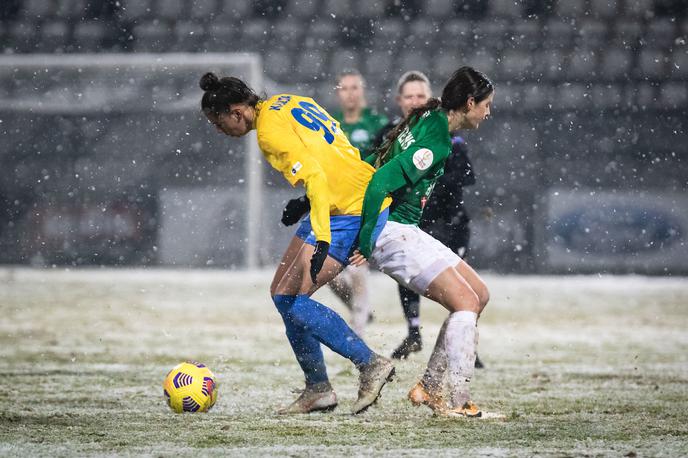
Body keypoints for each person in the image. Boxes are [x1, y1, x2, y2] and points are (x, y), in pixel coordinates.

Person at [199, 72, 395, 415]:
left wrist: (321, 237)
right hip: (342, 201)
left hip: (350, 211)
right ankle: (318, 389)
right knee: (281, 293)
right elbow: (335, 150)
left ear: (235, 111)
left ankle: (370, 364)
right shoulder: (288, 100)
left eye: (218, 122)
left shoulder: (269, 133)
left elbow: (316, 175)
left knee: (292, 300)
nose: (219, 131)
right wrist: (308, 204)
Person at [350, 67, 494, 417]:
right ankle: (459, 403)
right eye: (487, 105)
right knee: (465, 304)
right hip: (392, 232)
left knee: (480, 295)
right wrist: (366, 242)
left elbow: (379, 159)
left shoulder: (431, 115)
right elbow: (381, 180)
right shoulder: (438, 142)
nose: (489, 113)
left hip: (407, 229)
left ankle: (429, 388)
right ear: (470, 102)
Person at [374, 72, 482, 367]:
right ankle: (414, 332)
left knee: (471, 294)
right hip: (406, 224)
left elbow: (465, 177)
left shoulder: (448, 138)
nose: (414, 101)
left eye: (420, 96)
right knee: (459, 294)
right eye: (409, 96)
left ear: (431, 98)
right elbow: (374, 172)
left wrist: (430, 179)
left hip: (447, 221)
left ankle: (465, 342)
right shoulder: (391, 132)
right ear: (399, 101)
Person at [282, 70, 387, 335]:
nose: (350, 93)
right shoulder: (331, 123)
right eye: (344, 88)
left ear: (362, 92)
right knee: (328, 273)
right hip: (333, 203)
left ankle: (359, 329)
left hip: (364, 202)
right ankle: (359, 311)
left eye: (355, 88)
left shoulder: (378, 123)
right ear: (338, 93)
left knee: (357, 265)